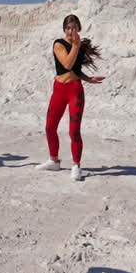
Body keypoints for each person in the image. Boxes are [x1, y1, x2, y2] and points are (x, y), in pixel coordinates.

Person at [35, 14, 105, 181]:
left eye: (74, 27)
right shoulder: (58, 44)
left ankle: (76, 165)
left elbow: (75, 69)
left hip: (75, 91)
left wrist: (88, 79)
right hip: (59, 90)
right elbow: (66, 64)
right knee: (50, 127)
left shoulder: (79, 46)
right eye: (68, 28)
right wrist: (76, 45)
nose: (71, 30)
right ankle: (54, 160)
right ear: (64, 29)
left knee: (74, 131)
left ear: (78, 28)